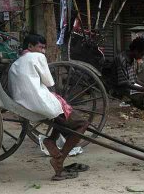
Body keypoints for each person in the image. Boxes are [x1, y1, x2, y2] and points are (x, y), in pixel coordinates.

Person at [8, 34, 89, 181]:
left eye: (44, 48)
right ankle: (59, 159)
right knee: (82, 124)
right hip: (40, 103)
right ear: (30, 47)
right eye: (40, 47)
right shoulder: (36, 57)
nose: (43, 51)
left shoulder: (15, 64)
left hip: (25, 104)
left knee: (59, 115)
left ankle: (51, 140)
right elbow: (49, 81)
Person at [113, 37, 144, 106]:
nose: (142, 57)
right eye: (142, 54)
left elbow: (134, 79)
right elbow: (124, 83)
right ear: (135, 51)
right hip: (121, 88)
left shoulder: (130, 58)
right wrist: (143, 89)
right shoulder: (122, 60)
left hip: (129, 87)